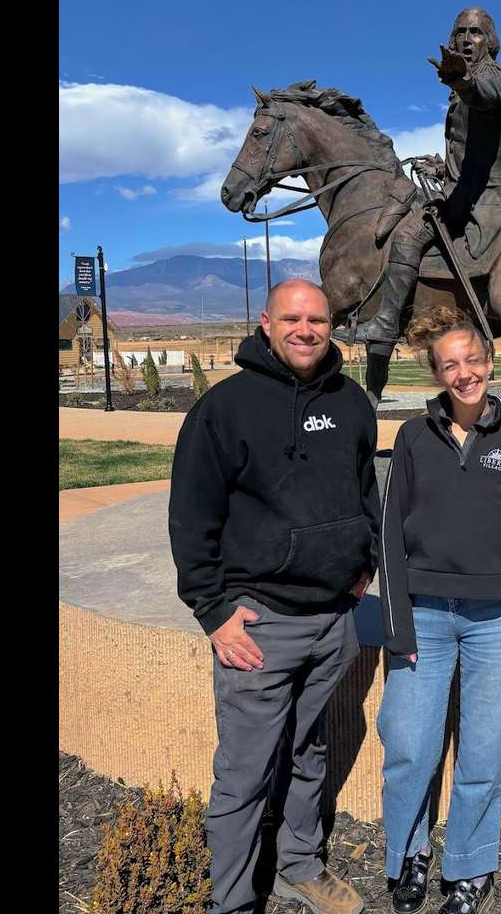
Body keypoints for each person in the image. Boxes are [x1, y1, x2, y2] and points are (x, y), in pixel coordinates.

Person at [169, 279, 379, 914]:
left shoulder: (351, 401)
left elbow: (366, 487)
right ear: (266, 323)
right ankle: (231, 902)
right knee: (244, 776)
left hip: (333, 620)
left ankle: (298, 866)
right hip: (260, 625)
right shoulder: (225, 409)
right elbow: (191, 518)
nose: (306, 330)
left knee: (310, 751)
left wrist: (364, 558)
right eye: (292, 318)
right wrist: (213, 613)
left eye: (317, 319)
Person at [377, 305, 501, 913]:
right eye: (450, 365)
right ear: (437, 375)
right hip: (422, 616)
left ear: (490, 363)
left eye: (472, 360)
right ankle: (409, 856)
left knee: (483, 751)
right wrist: (397, 627)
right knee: (408, 744)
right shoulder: (412, 437)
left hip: (494, 623)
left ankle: (471, 870)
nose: (464, 373)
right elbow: (390, 538)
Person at [352, 6, 501, 347]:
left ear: (490, 41)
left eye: (475, 32)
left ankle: (386, 323)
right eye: (459, 32)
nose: (465, 39)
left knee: (405, 235)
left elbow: (484, 94)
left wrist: (463, 81)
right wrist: (443, 169)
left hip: (486, 204)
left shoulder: (494, 77)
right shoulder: (474, 82)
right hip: (468, 190)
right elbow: (481, 155)